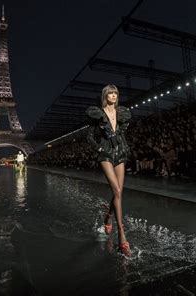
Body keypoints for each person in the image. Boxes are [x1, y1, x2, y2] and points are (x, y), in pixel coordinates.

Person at [86, 84, 132, 257]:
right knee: (117, 190)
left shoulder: (122, 113)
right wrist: (99, 149)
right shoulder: (97, 113)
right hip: (105, 153)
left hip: (120, 152)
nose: (113, 95)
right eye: (110, 93)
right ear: (105, 95)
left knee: (119, 192)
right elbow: (90, 136)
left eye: (115, 93)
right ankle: (121, 234)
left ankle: (108, 216)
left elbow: (122, 135)